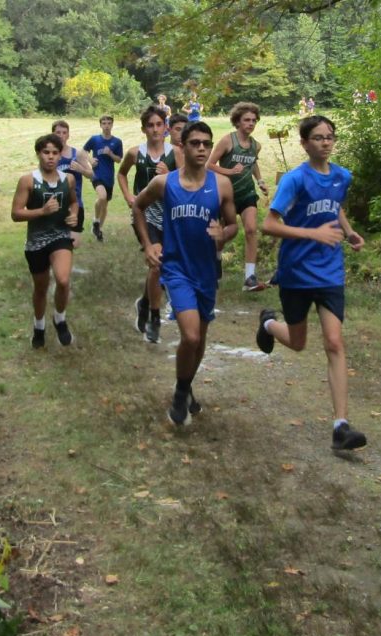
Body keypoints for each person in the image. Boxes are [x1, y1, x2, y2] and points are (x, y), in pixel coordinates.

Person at [255, 115, 367, 451]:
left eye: (330, 137)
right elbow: (269, 224)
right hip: (296, 272)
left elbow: (335, 208)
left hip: (330, 271)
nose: (325, 142)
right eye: (318, 138)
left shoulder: (342, 176)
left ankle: (341, 426)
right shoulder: (295, 180)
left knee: (334, 342)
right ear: (304, 143)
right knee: (299, 342)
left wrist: (347, 232)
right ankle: (269, 323)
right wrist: (311, 233)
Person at [131, 121, 238, 426]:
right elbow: (138, 207)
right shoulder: (166, 183)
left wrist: (224, 234)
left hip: (207, 270)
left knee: (199, 339)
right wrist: (150, 244)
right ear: (183, 146)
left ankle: (187, 385)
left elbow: (232, 225)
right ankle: (180, 393)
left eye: (207, 143)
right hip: (176, 269)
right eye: (195, 143)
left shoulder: (221, 185)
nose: (202, 148)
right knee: (189, 335)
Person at [10, 134, 80, 349]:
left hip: (60, 236)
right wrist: (41, 211)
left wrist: (74, 216)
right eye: (46, 152)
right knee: (40, 288)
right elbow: (15, 213)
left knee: (63, 280)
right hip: (36, 242)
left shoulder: (67, 179)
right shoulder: (28, 181)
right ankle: (39, 326)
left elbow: (74, 202)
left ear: (60, 155)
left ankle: (60, 319)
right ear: (39, 154)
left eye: (55, 153)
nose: (50, 157)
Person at [118, 105, 177, 343]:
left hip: (170, 215)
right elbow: (121, 174)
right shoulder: (135, 153)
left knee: (161, 266)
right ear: (143, 129)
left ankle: (144, 303)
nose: (155, 129)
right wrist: (129, 197)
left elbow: (186, 181)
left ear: (166, 128)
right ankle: (154, 317)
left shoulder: (176, 153)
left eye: (159, 125)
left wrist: (170, 172)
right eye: (150, 125)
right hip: (144, 214)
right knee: (156, 263)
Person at [207, 102, 269, 291]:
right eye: (247, 120)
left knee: (251, 229)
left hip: (247, 193)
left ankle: (249, 277)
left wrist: (260, 182)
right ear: (237, 122)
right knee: (222, 233)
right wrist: (230, 171)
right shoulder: (228, 141)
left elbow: (253, 164)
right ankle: (216, 257)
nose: (251, 124)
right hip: (226, 194)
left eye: (253, 120)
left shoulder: (255, 146)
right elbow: (209, 164)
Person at [51, 119, 95, 243]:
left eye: (64, 132)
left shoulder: (77, 154)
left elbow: (91, 175)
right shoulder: (50, 155)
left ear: (68, 135)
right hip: (55, 203)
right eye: (58, 132)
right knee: (57, 241)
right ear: (53, 134)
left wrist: (81, 169)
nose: (61, 136)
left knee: (74, 242)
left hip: (76, 203)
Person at [82, 115, 124, 243]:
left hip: (109, 177)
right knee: (102, 196)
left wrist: (110, 154)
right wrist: (90, 160)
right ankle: (95, 220)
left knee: (104, 205)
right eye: (104, 123)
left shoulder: (117, 142)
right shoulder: (95, 140)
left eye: (109, 123)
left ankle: (98, 230)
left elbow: (119, 160)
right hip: (97, 175)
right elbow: (83, 151)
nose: (106, 126)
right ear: (100, 125)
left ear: (112, 125)